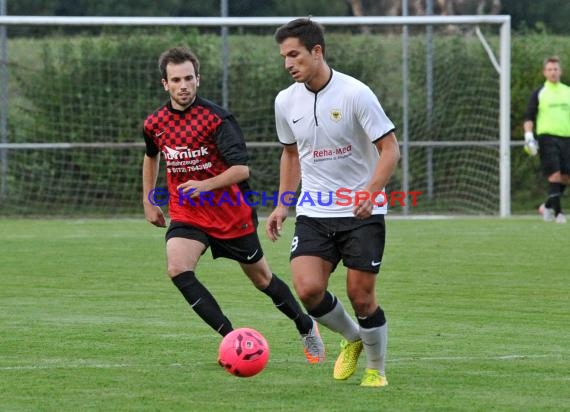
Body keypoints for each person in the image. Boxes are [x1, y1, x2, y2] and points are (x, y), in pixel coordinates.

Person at [142, 46, 324, 364]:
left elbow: (242, 170)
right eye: (176, 80)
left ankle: (305, 324)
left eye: (188, 78)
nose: (183, 85)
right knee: (177, 268)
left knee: (262, 280)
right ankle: (231, 338)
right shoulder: (155, 123)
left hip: (230, 212)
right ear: (165, 84)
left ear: (198, 80)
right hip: (188, 213)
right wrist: (149, 200)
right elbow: (150, 155)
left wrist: (205, 185)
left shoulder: (216, 119)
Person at [265, 18, 400, 388]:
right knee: (308, 290)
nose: (288, 63)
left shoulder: (355, 93)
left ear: (317, 51)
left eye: (294, 54)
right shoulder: (285, 101)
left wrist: (371, 190)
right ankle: (353, 338)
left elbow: (390, 149)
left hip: (362, 211)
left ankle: (377, 370)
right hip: (314, 210)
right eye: (284, 57)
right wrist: (282, 205)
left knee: (362, 297)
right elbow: (291, 155)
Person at [523, 55, 570, 224]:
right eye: (549, 69)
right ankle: (558, 214)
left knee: (566, 178)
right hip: (547, 138)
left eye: (555, 69)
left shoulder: (567, 91)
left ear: (560, 71)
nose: (553, 72)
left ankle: (547, 206)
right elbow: (529, 116)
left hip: (567, 138)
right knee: (554, 175)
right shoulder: (540, 92)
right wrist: (529, 136)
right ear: (544, 72)